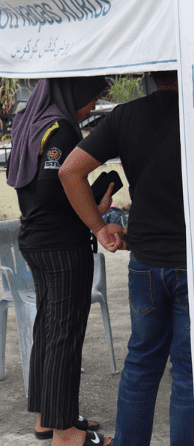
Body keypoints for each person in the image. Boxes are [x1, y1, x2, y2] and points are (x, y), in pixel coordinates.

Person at [59, 71, 194, 446]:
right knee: (187, 373)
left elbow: (70, 170)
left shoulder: (125, 114)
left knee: (141, 364)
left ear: (151, 71)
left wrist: (99, 227)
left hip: (145, 261)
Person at [6, 76, 112, 446]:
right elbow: (56, 191)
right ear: (75, 92)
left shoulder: (31, 124)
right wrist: (94, 210)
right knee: (64, 336)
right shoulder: (62, 130)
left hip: (35, 240)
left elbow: (34, 190)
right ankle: (66, 435)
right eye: (92, 98)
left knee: (48, 331)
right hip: (62, 246)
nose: (90, 108)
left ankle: (48, 418)